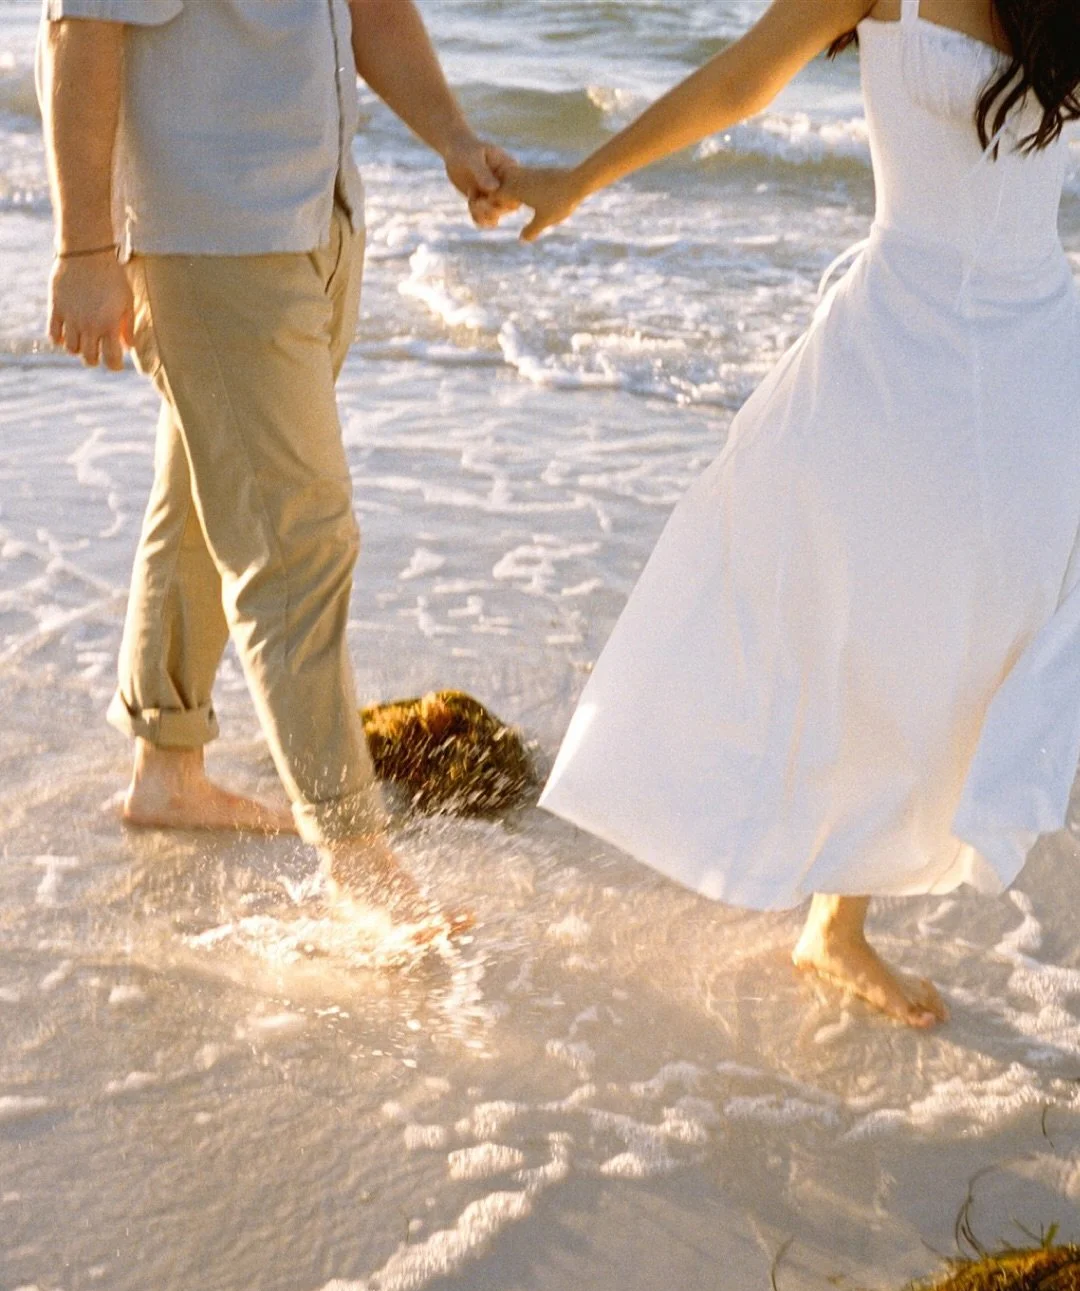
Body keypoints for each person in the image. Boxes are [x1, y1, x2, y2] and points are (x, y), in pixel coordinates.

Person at [500, 0, 1080, 1027]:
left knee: (999, 633)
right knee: (857, 610)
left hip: (1038, 350)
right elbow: (738, 81)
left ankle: (844, 919)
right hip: (900, 344)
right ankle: (821, 905)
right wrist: (577, 179)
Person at [38, 0, 517, 932]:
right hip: (210, 229)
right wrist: (84, 249)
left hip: (317, 216)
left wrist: (453, 138)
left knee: (205, 489)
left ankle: (167, 768)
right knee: (296, 540)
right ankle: (357, 862)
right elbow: (81, 25)